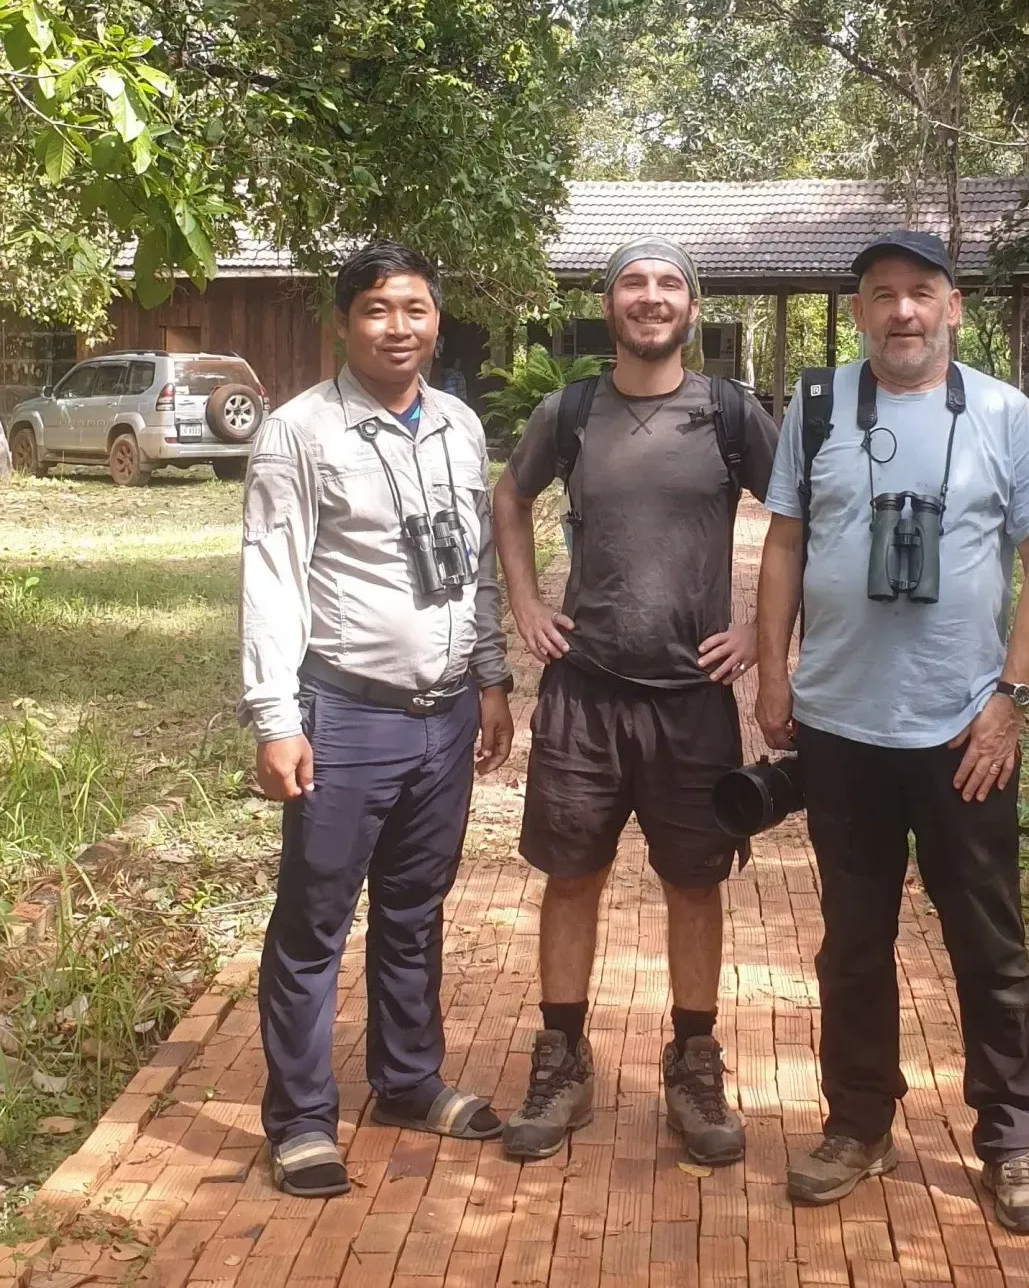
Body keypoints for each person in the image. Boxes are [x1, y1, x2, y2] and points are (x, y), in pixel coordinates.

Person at [755, 229, 1029, 1228]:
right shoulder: (813, 409)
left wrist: (1008, 702)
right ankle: (856, 1123)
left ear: (952, 307)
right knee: (852, 941)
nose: (901, 312)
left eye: (920, 293)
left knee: (987, 939)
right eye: (881, 295)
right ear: (857, 312)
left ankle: (1012, 1140)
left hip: (960, 734)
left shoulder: (1001, 413)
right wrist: (772, 673)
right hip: (840, 727)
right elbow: (782, 545)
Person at [493, 239, 779, 1165]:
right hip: (584, 693)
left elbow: (804, 519)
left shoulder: (731, 413)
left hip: (693, 697)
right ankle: (563, 1061)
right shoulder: (570, 410)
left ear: (692, 305)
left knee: (694, 884)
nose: (650, 298)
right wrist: (528, 602)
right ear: (608, 302)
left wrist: (763, 635)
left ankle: (694, 1064)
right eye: (633, 283)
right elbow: (510, 495)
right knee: (570, 877)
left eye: (668, 284)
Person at [240, 239, 514, 1199]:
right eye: (377, 310)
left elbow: (473, 563)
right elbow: (271, 577)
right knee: (315, 921)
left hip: (443, 720)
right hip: (345, 714)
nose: (399, 327)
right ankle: (303, 1120)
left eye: (416, 309)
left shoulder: (460, 427)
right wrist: (275, 715)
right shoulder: (300, 432)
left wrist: (491, 676)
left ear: (437, 319)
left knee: (413, 910)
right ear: (344, 322)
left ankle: (406, 1080)